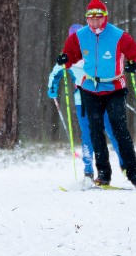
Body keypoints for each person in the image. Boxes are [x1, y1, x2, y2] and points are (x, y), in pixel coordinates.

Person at [56, 0, 136, 187]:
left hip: (114, 87)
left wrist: (135, 66)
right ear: (87, 19)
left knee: (119, 129)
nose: (95, 22)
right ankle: (103, 174)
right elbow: (70, 55)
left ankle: (135, 174)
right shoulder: (80, 36)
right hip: (90, 88)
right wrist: (66, 59)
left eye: (98, 18)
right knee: (95, 131)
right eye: (91, 19)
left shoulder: (118, 35)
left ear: (105, 18)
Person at [47, 24, 124, 184]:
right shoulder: (68, 56)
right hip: (83, 101)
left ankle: (126, 166)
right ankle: (88, 171)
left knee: (112, 130)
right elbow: (55, 73)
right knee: (88, 135)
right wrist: (52, 89)